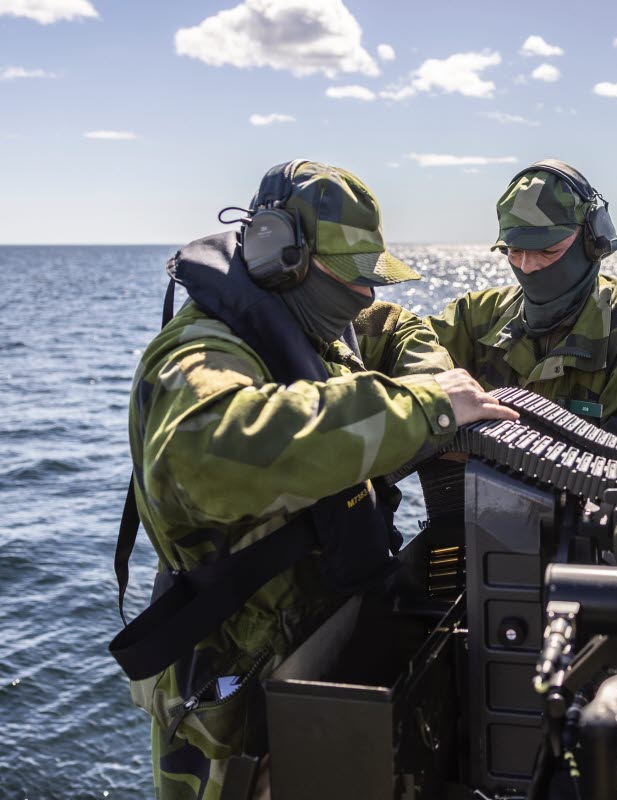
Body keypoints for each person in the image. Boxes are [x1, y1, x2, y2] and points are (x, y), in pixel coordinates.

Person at [113, 160, 516, 799]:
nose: (365, 296)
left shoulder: (316, 319)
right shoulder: (200, 353)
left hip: (321, 652)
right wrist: (426, 408)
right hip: (237, 699)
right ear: (282, 256)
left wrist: (438, 381)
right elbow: (213, 454)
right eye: (350, 279)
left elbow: (398, 328)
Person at [427, 159, 617, 443]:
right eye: (513, 251)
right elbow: (405, 349)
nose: (527, 266)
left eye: (547, 251)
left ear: (593, 241)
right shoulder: (473, 315)